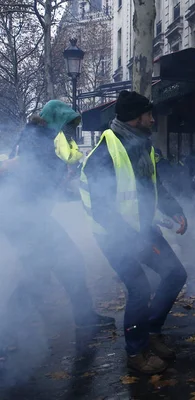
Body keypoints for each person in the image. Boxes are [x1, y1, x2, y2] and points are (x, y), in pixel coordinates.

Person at [80, 90, 189, 374]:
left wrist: (174, 209)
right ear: (135, 118)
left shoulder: (143, 146)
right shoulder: (105, 151)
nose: (153, 120)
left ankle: (152, 331)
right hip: (114, 235)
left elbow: (154, 185)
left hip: (142, 228)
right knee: (139, 288)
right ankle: (136, 353)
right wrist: (130, 238)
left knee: (175, 274)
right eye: (149, 115)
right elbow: (100, 207)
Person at [0, 101, 114, 332]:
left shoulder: (43, 138)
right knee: (38, 275)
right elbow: (26, 170)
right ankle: (6, 333)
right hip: (26, 220)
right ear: (57, 121)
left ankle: (84, 317)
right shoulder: (38, 138)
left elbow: (47, 183)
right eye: (69, 125)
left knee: (68, 263)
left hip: (32, 218)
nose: (71, 131)